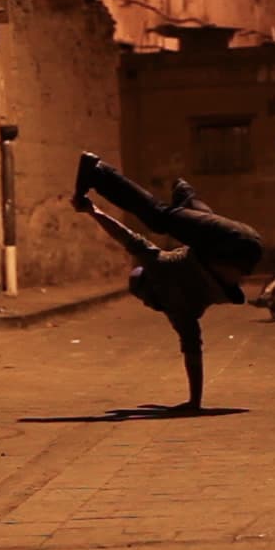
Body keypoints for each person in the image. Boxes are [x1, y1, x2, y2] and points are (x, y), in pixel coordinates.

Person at [72, 153, 262, 410]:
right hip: (235, 241)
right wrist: (92, 211)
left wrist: (195, 402)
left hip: (239, 251)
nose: (148, 304)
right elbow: (127, 237)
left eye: (144, 299)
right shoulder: (168, 280)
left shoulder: (171, 291)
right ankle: (186, 198)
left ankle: (99, 172)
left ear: (149, 288)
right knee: (171, 223)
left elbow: (193, 353)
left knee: (161, 219)